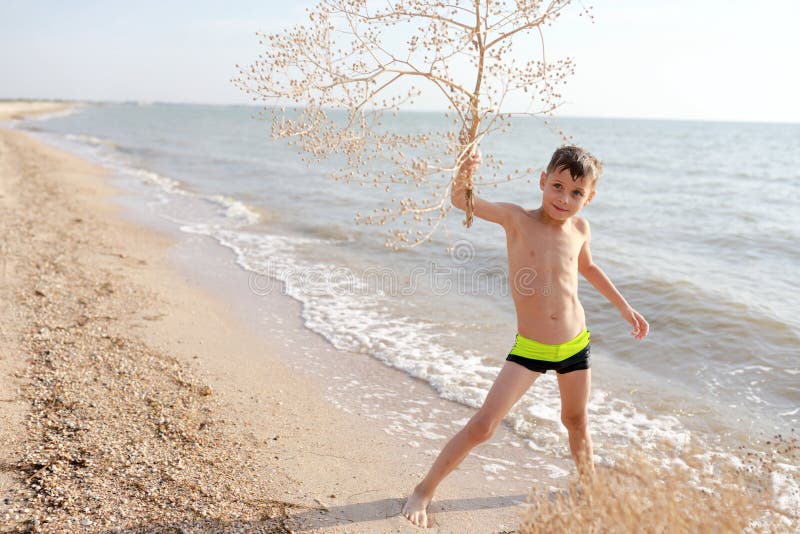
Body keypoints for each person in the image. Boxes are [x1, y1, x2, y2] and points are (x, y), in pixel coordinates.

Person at [401, 145, 649, 528]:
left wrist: (624, 306)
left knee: (576, 421)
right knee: (483, 426)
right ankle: (424, 489)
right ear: (542, 181)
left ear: (590, 197)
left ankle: (589, 488)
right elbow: (458, 199)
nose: (564, 199)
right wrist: (467, 169)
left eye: (576, 193)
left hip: (574, 344)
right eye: (557, 186)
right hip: (531, 347)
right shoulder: (516, 219)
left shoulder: (581, 229)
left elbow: (589, 266)